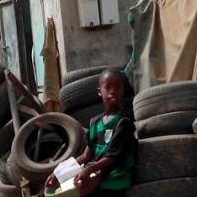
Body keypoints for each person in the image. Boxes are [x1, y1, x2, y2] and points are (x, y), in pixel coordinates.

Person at [46, 66, 136, 196]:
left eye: (117, 87)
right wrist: (58, 173)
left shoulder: (123, 123)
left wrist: (88, 170)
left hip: (115, 179)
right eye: (108, 87)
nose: (112, 91)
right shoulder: (95, 123)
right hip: (98, 175)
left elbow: (112, 158)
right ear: (100, 92)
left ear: (123, 91)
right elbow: (86, 156)